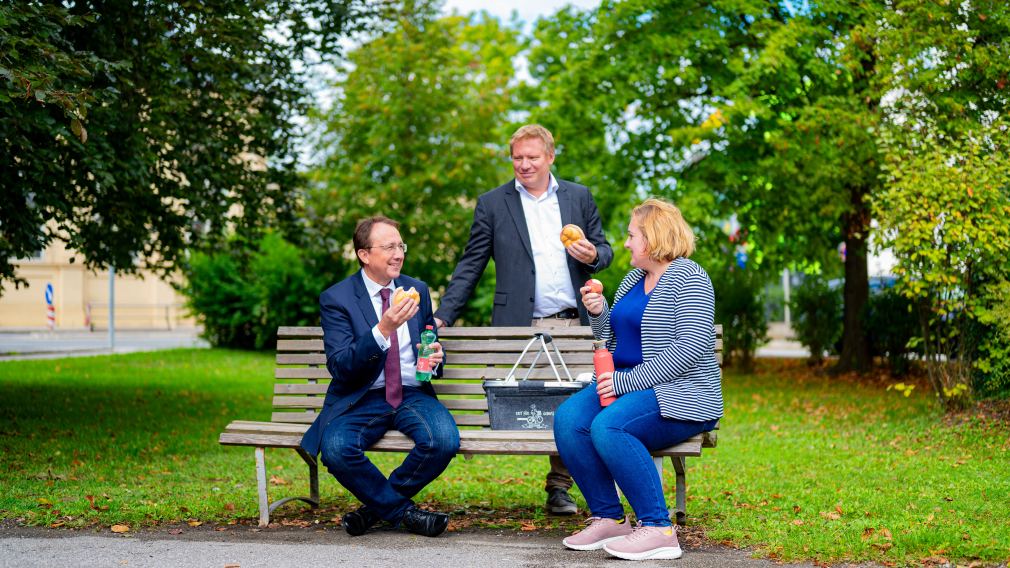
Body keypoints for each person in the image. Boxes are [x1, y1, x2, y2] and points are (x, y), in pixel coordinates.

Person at [433, 124, 613, 515]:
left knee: (578, 402)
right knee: (526, 405)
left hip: (574, 322)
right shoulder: (492, 203)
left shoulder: (578, 197)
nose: (525, 164)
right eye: (518, 157)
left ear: (550, 156)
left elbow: (605, 248)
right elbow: (472, 264)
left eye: (533, 157)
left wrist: (592, 255)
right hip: (519, 324)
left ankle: (559, 486)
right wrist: (444, 315)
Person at [553, 198, 723, 561]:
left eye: (632, 236)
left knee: (610, 426)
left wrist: (625, 383)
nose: (626, 243)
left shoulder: (691, 278)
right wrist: (598, 313)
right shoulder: (634, 278)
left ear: (654, 237)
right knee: (568, 420)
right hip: (629, 383)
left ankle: (659, 529)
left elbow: (688, 349)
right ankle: (609, 517)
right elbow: (610, 340)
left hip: (681, 392)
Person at [300, 216, 460, 538]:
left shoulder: (417, 289)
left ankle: (373, 511)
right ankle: (405, 514)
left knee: (443, 440)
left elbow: (428, 343)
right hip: (361, 396)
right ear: (364, 254)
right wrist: (382, 330)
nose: (398, 253)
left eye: (400, 245)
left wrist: (435, 359)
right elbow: (342, 366)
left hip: (411, 394)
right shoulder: (337, 299)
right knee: (336, 449)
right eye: (388, 247)